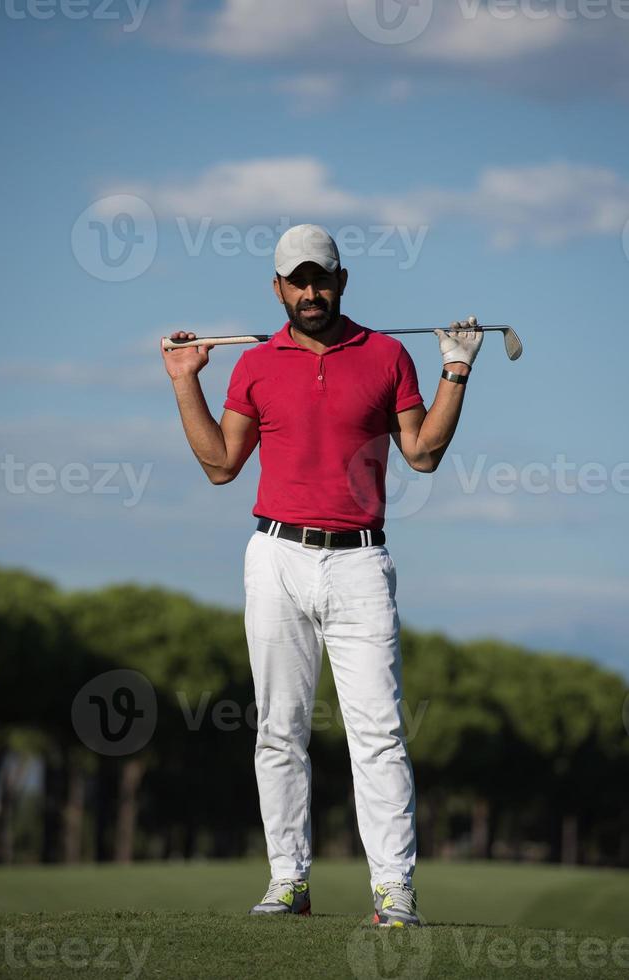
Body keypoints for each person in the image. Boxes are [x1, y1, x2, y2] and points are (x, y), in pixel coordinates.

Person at [162, 223, 483, 927]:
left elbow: (422, 453)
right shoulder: (255, 364)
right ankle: (289, 882)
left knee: (378, 734)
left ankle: (393, 890)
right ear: (277, 288)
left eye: (322, 278)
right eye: (297, 280)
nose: (311, 292)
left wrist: (455, 370)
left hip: (362, 560)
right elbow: (221, 464)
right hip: (275, 557)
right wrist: (186, 384)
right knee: (279, 729)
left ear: (343, 280)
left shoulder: (388, 354)